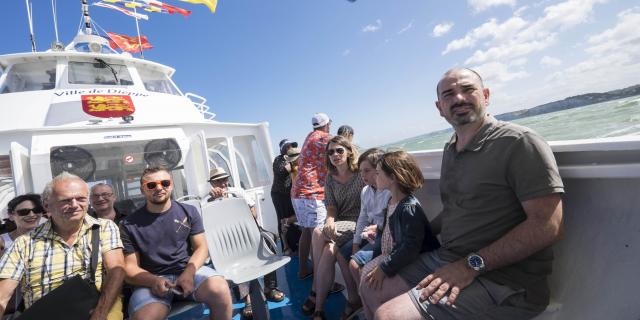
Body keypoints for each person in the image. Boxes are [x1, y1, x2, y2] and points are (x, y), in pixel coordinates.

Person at [375, 68, 565, 320]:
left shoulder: (519, 142)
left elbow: (548, 225)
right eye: (449, 94)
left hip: (507, 278)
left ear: (485, 95)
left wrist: (470, 265)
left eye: (468, 89)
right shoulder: (451, 149)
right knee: (373, 286)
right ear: (440, 107)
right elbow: (455, 207)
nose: (459, 98)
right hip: (449, 257)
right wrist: (421, 234)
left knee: (388, 316)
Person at [0, 172, 125, 320]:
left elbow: (116, 270)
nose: (74, 205)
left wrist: (100, 314)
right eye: (65, 200)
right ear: (47, 205)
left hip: (95, 308)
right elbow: (3, 295)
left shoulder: (104, 228)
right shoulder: (24, 243)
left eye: (81, 199)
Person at [119, 167, 232, 320]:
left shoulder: (189, 211)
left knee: (220, 290)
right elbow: (130, 267)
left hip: (188, 271)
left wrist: (188, 274)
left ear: (171, 185)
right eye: (151, 185)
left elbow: (201, 248)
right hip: (152, 280)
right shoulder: (128, 224)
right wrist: (154, 281)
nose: (159, 188)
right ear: (142, 190)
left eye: (164, 183)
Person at [359, 151, 440, 319]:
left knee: (369, 287)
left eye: (379, 172)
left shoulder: (408, 208)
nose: (375, 175)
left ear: (393, 177)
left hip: (415, 258)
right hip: (395, 253)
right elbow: (392, 227)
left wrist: (385, 268)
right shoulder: (391, 201)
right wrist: (378, 231)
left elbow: (411, 246)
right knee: (364, 277)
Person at [207, 167, 284, 319]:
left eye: (224, 179)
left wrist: (240, 218)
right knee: (232, 253)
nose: (222, 183)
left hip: (250, 230)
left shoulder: (237, 192)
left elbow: (253, 210)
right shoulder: (208, 201)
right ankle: (247, 299)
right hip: (226, 238)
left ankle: (270, 287)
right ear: (212, 184)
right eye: (218, 181)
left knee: (270, 239)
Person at [307, 135, 365, 320]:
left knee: (317, 232)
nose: (335, 154)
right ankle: (320, 308)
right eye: (330, 152)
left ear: (349, 152)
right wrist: (330, 221)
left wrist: (329, 225)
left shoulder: (360, 174)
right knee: (329, 250)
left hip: (360, 222)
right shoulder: (330, 179)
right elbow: (331, 207)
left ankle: (316, 288)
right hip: (341, 224)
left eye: (339, 150)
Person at [340, 148, 391, 319]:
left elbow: (392, 222)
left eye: (367, 170)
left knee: (355, 264)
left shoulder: (390, 190)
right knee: (342, 253)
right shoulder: (365, 191)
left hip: (385, 235)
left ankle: (369, 303)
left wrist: (377, 229)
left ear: (379, 169)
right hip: (370, 233)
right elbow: (362, 218)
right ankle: (357, 297)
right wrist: (355, 244)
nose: (363, 175)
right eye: (361, 171)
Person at [291, 112, 332, 280]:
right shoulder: (324, 137)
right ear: (327, 124)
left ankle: (303, 270)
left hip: (298, 193)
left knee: (307, 233)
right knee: (318, 237)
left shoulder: (310, 136)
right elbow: (346, 147)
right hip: (311, 194)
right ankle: (320, 282)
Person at [0, 194, 45, 316]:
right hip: (10, 308)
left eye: (36, 210)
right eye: (23, 212)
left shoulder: (49, 239)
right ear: (11, 215)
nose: (31, 215)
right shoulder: (3, 242)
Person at [271, 139, 298, 255]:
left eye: (292, 146)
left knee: (291, 218)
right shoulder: (279, 159)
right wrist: (294, 162)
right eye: (288, 146)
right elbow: (282, 171)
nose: (290, 148)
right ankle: (285, 246)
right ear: (283, 149)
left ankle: (294, 244)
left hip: (289, 194)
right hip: (279, 195)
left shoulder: (292, 158)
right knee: (282, 219)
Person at [282, 146, 302, 255]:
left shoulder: (294, 167)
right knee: (301, 220)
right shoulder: (298, 167)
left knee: (302, 222)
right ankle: (286, 221)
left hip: (295, 196)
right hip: (299, 197)